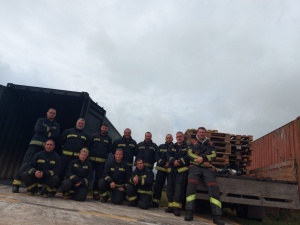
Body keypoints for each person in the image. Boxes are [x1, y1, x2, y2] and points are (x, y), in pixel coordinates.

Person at [12, 108, 60, 193]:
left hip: (44, 149)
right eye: (51, 113)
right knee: (26, 164)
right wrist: (50, 131)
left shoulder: (56, 125)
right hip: (34, 146)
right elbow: (38, 129)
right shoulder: (40, 120)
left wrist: (45, 129)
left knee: (41, 165)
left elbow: (56, 135)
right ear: (47, 113)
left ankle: (38, 185)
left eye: (54, 113)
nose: (52, 114)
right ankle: (16, 184)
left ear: (55, 115)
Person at [184, 127, 225, 225]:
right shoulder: (192, 142)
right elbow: (189, 154)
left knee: (214, 187)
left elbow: (214, 155)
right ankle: (189, 212)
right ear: (197, 133)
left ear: (205, 134)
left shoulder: (210, 144)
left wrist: (203, 158)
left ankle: (217, 216)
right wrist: (201, 160)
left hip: (207, 169)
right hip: (195, 167)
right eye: (200, 132)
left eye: (203, 132)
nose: (201, 134)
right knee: (191, 186)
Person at [165, 131, 190, 216]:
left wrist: (179, 161)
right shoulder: (172, 146)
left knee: (178, 191)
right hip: (172, 171)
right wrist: (173, 161)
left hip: (181, 172)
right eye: (178, 136)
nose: (179, 138)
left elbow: (188, 157)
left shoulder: (187, 147)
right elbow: (168, 155)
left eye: (180, 136)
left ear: (183, 137)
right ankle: (170, 207)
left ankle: (177, 209)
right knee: (170, 189)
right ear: (176, 137)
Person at [88, 123, 113, 200]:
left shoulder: (109, 139)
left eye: (105, 128)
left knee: (98, 178)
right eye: (103, 127)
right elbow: (89, 146)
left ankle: (96, 193)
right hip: (91, 160)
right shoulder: (94, 136)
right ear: (100, 128)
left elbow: (109, 150)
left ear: (107, 129)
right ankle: (85, 190)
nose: (104, 129)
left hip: (101, 162)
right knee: (89, 176)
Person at [152, 134, 173, 207]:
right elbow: (156, 156)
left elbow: (176, 157)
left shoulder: (175, 147)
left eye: (170, 138)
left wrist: (170, 164)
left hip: (170, 171)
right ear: (165, 139)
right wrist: (163, 163)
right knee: (158, 186)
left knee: (170, 187)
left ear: (172, 139)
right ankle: (155, 202)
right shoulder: (160, 146)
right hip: (161, 170)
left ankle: (170, 204)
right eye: (167, 138)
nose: (168, 139)